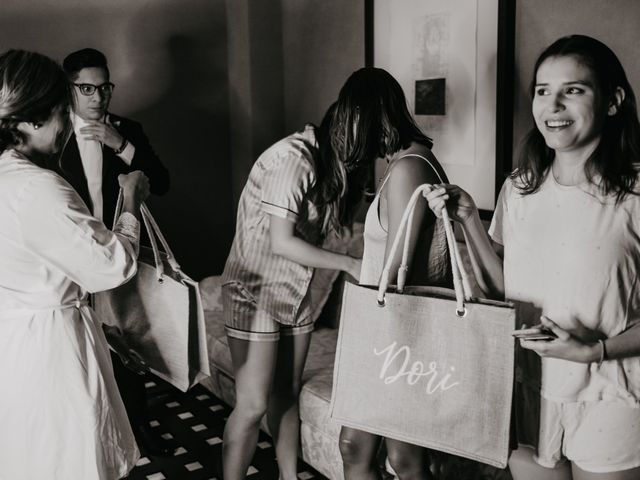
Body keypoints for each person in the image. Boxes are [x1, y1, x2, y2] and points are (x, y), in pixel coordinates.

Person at [424, 35, 640, 480]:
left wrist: (594, 350)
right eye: (543, 91)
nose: (553, 105)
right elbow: (506, 289)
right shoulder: (520, 188)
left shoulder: (634, 195)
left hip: (608, 393)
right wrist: (467, 221)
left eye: (573, 90)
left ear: (614, 100)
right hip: (526, 389)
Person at [0, 50, 150, 479]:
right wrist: (131, 204)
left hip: (17, 340)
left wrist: (99, 329)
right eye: (60, 111)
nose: (67, 122)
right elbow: (112, 265)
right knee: (72, 458)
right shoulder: (38, 188)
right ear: (29, 120)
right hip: (52, 352)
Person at [220, 93, 374, 477]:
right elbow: (281, 242)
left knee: (287, 395)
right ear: (340, 130)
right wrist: (350, 263)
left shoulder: (332, 167)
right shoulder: (294, 160)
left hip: (295, 290)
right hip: (253, 290)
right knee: (253, 404)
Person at [50, 47, 172, 457]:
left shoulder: (127, 129)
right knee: (78, 347)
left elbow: (163, 182)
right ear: (70, 89)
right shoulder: (51, 132)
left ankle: (138, 427)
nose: (98, 97)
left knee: (129, 346)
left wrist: (122, 146)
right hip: (69, 258)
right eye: (87, 88)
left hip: (121, 253)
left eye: (105, 88)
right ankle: (84, 435)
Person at [336, 68, 451, 480]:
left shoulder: (408, 168)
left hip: (396, 338)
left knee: (400, 458)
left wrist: (367, 344)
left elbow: (397, 272)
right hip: (393, 335)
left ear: (364, 116)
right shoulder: (408, 165)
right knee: (365, 450)